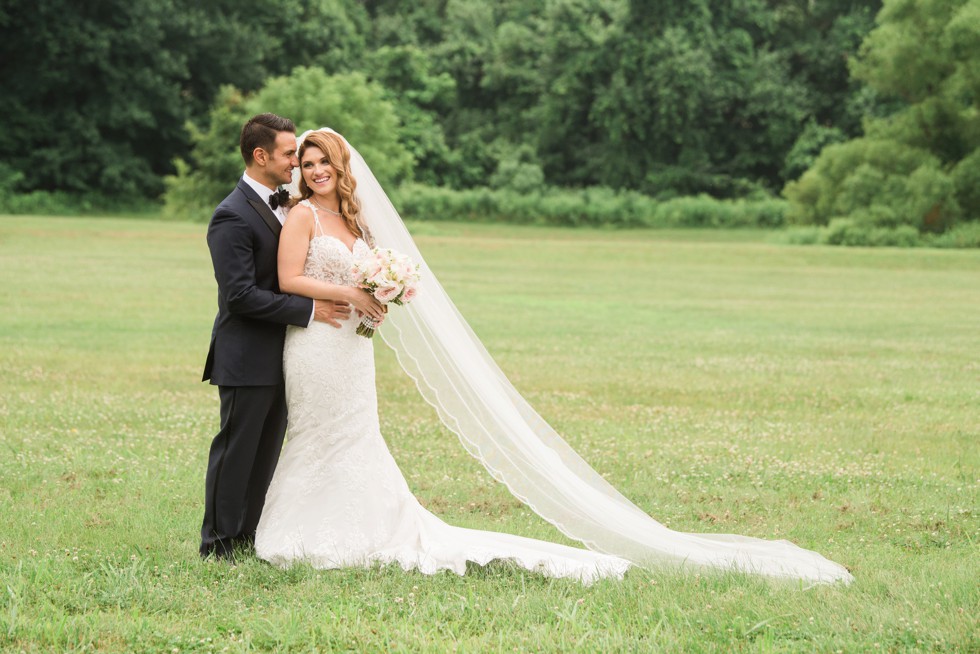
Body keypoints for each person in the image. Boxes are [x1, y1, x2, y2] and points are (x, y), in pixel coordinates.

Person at [254, 129, 853, 585]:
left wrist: (376, 298)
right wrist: (351, 292)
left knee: (358, 434)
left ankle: (365, 525)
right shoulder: (301, 215)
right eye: (306, 165)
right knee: (316, 434)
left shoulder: (353, 219)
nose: (315, 171)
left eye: (323, 162)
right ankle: (304, 526)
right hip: (313, 346)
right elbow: (287, 279)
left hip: (353, 351)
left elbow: (359, 278)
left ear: (341, 167)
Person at [200, 114, 352, 560]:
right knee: (236, 451)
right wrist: (309, 309)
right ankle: (218, 543)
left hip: (287, 353)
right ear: (260, 155)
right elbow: (240, 296)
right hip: (245, 354)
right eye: (289, 154)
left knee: (265, 453)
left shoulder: (285, 203)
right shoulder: (230, 215)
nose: (294, 160)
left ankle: (247, 535)